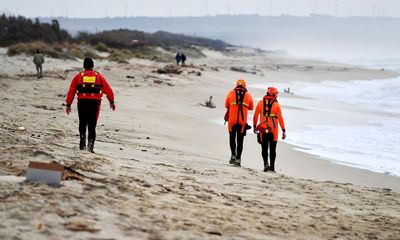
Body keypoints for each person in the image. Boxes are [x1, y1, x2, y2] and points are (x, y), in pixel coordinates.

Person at [65, 58, 115, 153]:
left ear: (84, 66)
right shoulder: (99, 77)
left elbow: (71, 91)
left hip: (82, 103)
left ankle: (82, 142)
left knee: (82, 123)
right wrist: (111, 102)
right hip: (95, 104)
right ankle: (90, 146)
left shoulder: (78, 77)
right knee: (92, 125)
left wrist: (68, 104)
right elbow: (108, 90)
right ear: (92, 66)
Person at [253, 87, 286, 172]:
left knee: (264, 148)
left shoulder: (260, 103)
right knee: (272, 149)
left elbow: (255, 116)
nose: (277, 96)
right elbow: (280, 119)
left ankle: (265, 164)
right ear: (273, 94)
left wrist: (254, 126)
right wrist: (283, 130)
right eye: (276, 94)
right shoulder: (276, 105)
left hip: (263, 129)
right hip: (273, 130)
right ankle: (272, 168)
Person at [224, 79, 254, 166]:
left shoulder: (231, 93)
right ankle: (238, 159)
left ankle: (233, 156)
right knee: (240, 141)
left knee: (232, 138)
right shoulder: (248, 94)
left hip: (232, 120)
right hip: (242, 122)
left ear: (236, 85)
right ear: (245, 86)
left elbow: (226, 105)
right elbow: (251, 107)